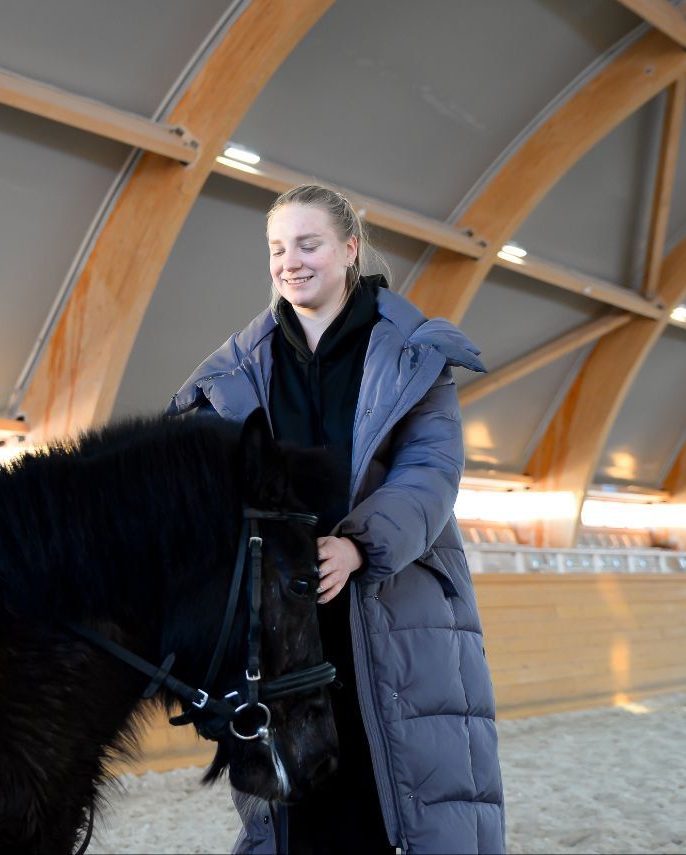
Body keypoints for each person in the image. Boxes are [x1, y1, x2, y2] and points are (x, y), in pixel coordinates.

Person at [166, 184, 504, 854]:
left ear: (349, 248)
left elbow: (429, 473)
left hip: (392, 610)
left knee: (397, 801)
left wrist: (356, 545)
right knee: (294, 814)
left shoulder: (414, 355)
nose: (291, 261)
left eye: (308, 243)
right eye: (278, 247)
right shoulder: (232, 373)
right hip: (287, 627)